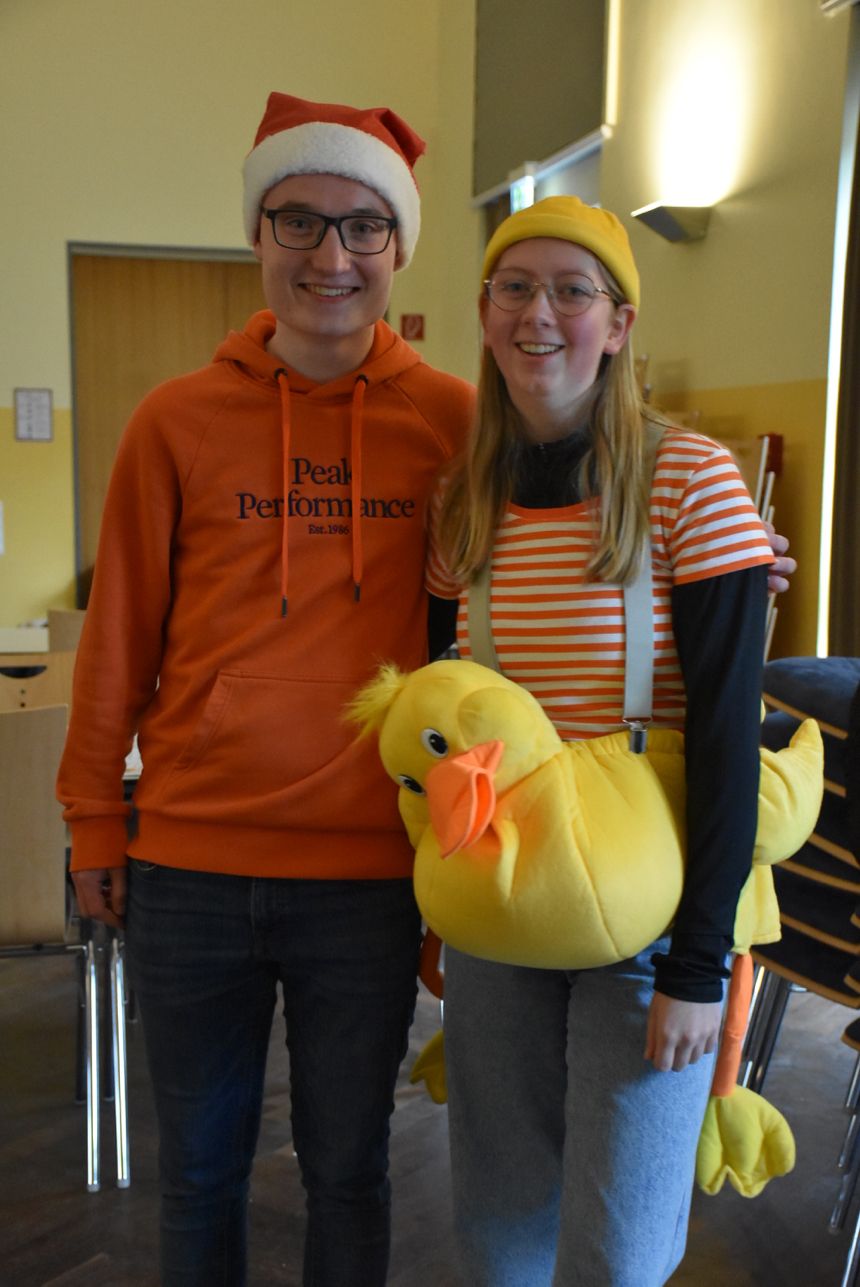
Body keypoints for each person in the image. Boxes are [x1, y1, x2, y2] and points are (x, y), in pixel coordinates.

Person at [56, 92, 475, 1287]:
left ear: (396, 248)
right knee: (197, 1177)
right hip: (189, 865)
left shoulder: (454, 421)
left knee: (348, 1172)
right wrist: (92, 820)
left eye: (361, 226)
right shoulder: (174, 421)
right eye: (298, 221)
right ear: (256, 234)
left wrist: (720, 558)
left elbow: (565, 539)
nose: (329, 256)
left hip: (369, 876)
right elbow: (118, 641)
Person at [425, 196, 779, 1286]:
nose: (539, 314)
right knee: (499, 1235)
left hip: (650, 926)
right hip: (499, 911)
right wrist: (439, 904)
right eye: (514, 288)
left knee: (615, 1254)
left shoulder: (691, 481)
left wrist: (699, 966)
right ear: (484, 311)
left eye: (571, 291)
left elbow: (725, 743)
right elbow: (443, 728)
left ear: (617, 323)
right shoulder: (463, 501)